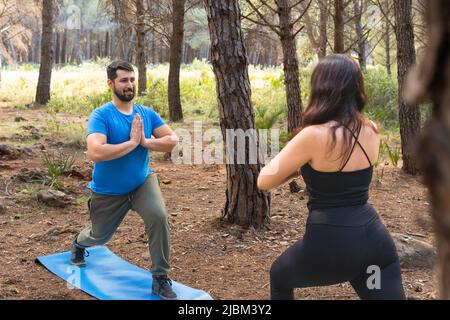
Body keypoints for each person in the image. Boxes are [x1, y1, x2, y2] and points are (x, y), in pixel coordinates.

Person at [257, 54, 406, 300]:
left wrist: (298, 168)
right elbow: (345, 174)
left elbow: (264, 180)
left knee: (280, 276)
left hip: (331, 243)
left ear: (321, 88)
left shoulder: (312, 135)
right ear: (356, 88)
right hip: (374, 243)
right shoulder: (371, 129)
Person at [70, 60, 179, 300]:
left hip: (142, 183)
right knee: (99, 236)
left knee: (158, 217)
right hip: (109, 191)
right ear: (111, 83)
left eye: (132, 79)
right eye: (123, 80)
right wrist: (130, 143)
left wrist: (146, 142)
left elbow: (173, 140)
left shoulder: (146, 113)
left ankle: (160, 278)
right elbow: (95, 152)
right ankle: (78, 243)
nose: (129, 85)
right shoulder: (101, 115)